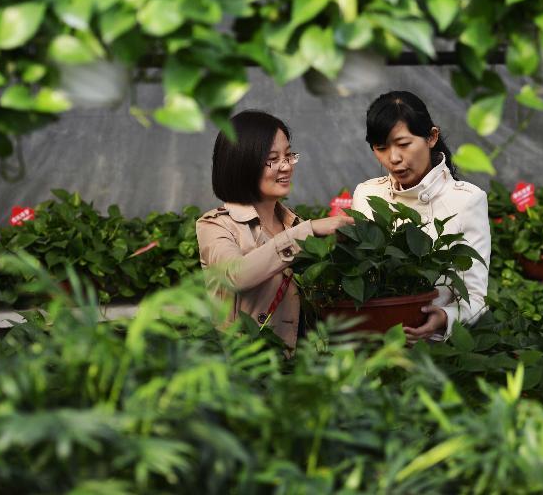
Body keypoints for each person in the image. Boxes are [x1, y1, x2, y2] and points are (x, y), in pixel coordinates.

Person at [197, 110, 354, 349]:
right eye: (273, 159)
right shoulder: (216, 225)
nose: (286, 166)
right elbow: (235, 275)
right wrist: (307, 232)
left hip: (301, 364)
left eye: (289, 155)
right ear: (242, 164)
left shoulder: (293, 223)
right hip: (250, 367)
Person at [351, 91, 490, 345]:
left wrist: (444, 316)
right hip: (373, 343)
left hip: (433, 349)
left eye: (403, 144)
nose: (393, 158)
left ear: (431, 137)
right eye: (381, 148)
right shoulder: (367, 194)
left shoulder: (467, 200)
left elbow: (476, 298)